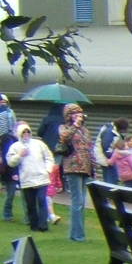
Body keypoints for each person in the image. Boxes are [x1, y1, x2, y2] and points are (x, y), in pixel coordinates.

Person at [55, 101, 93, 241]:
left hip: (85, 168)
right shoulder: (64, 127)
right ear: (69, 115)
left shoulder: (85, 130)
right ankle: (78, 235)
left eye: (80, 112)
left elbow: (89, 147)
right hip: (72, 167)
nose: (79, 115)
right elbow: (64, 138)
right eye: (75, 113)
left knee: (82, 201)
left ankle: (77, 233)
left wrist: (92, 166)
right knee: (77, 201)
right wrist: (75, 126)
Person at [7, 122, 55, 232]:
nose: (26, 134)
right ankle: (34, 225)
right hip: (27, 179)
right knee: (30, 204)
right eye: (24, 132)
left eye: (28, 131)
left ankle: (43, 226)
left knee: (42, 200)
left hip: (41, 178)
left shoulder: (39, 144)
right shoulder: (15, 147)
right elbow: (10, 162)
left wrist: (48, 169)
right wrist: (20, 155)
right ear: (20, 133)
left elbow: (49, 157)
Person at [92, 116, 124, 184]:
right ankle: (110, 193)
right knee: (111, 181)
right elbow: (106, 147)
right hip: (106, 160)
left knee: (111, 179)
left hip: (107, 159)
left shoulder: (112, 130)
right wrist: (111, 158)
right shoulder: (109, 132)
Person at [0, 94, 16, 221]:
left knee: (11, 190)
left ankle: (7, 213)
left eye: (5, 101)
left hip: (10, 161)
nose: (3, 104)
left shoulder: (11, 113)